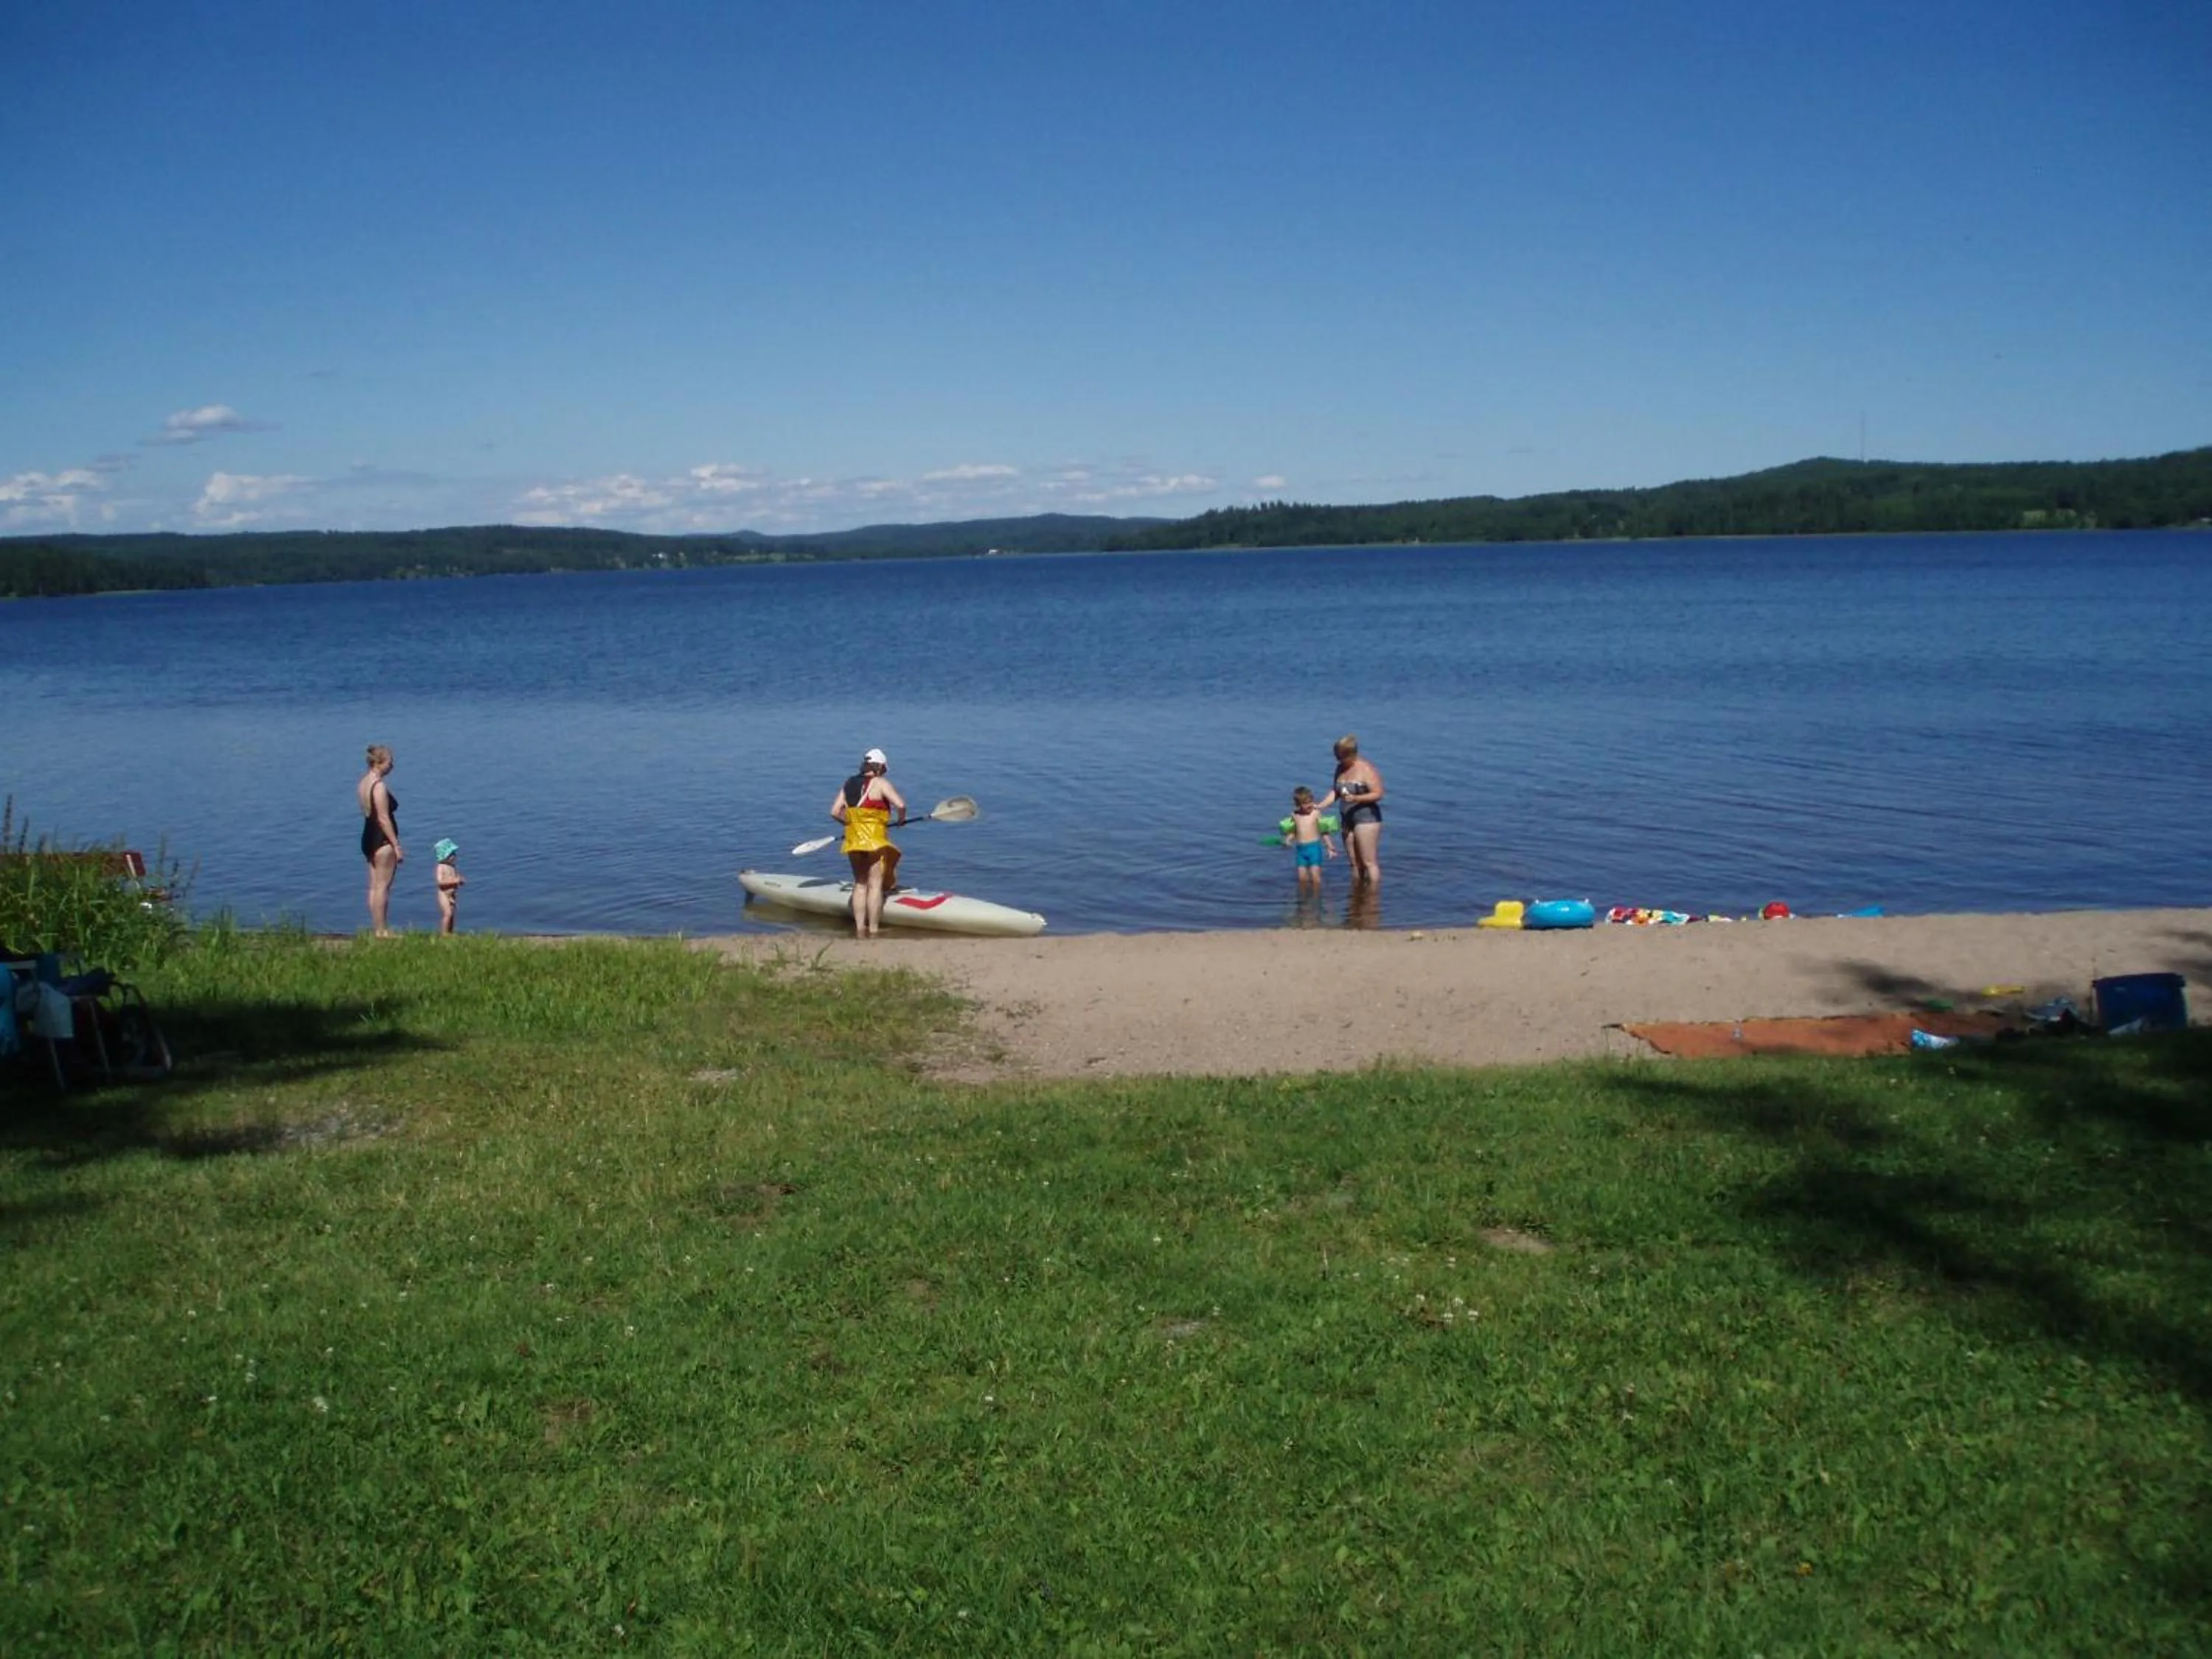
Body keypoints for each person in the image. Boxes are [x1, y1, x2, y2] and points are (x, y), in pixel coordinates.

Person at [830, 747, 906, 937]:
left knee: (860, 883)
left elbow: (835, 812)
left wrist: (850, 824)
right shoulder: (880, 783)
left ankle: (859, 929)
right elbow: (900, 805)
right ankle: (873, 929)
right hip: (875, 840)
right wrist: (901, 820)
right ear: (879, 767)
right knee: (875, 885)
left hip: (854, 840)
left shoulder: (848, 784)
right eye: (884, 769)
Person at [1321, 733, 1385, 887]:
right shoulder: (1340, 769)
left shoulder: (1366, 769)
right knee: (1354, 862)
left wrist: (1357, 798)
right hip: (1347, 816)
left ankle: (1373, 895)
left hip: (1366, 817)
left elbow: (1378, 793)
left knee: (1368, 862)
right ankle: (1357, 893)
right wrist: (1321, 805)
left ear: (1351, 754)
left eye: (1341, 757)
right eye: (1337, 756)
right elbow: (1336, 791)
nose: (1338, 760)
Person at [358, 744, 403, 936]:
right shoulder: (379, 787)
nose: (392, 766)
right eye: (389, 763)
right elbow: (384, 819)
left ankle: (377, 928)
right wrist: (396, 845)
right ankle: (382, 930)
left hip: (368, 836)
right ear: (378, 763)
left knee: (375, 886)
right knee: (383, 887)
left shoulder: (363, 783)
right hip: (381, 838)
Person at [1283, 785, 1338, 892]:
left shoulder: (1316, 814)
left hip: (1314, 848)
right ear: (1298, 804)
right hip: (1301, 850)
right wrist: (1288, 840)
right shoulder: (1295, 815)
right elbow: (1294, 832)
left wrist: (1330, 847)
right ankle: (1303, 898)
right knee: (1302, 879)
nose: (1309, 805)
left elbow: (1324, 832)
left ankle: (1317, 897)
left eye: (1311, 802)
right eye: (1305, 803)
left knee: (1316, 878)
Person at [434, 838, 465, 934]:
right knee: (447, 914)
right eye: (452, 854)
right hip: (443, 894)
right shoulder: (441, 867)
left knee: (452, 915)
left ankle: (450, 932)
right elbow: (440, 882)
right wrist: (455, 881)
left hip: (452, 895)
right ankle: (444, 934)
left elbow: (455, 877)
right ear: (445, 856)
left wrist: (460, 880)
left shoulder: (452, 867)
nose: (454, 856)